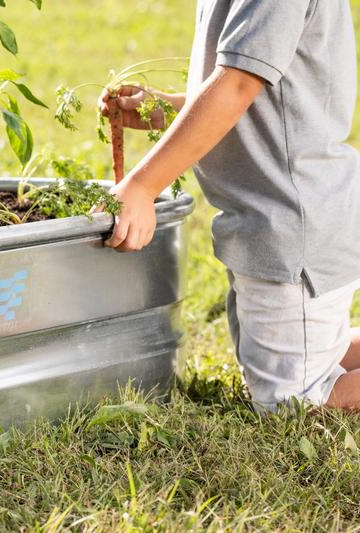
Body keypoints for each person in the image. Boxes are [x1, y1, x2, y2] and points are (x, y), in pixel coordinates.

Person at [97, 0, 360, 411]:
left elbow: (237, 86)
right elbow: (260, 90)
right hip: (274, 221)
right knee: (307, 352)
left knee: (293, 401)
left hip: (293, 226)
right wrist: (166, 108)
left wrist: (144, 185)